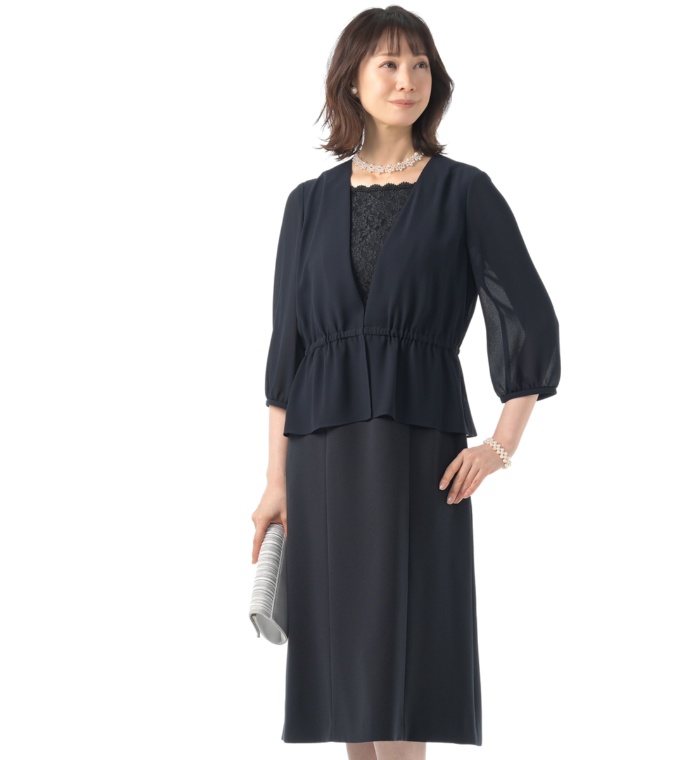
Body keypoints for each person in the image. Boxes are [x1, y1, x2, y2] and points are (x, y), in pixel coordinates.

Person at [251, 5, 561, 758]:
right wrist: (276, 482)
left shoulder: (465, 192)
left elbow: (530, 320)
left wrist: (501, 446)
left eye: (420, 64)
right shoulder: (306, 203)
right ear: (352, 81)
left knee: (405, 665)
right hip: (321, 458)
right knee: (347, 679)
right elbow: (287, 355)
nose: (407, 79)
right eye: (388, 63)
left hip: (418, 453)